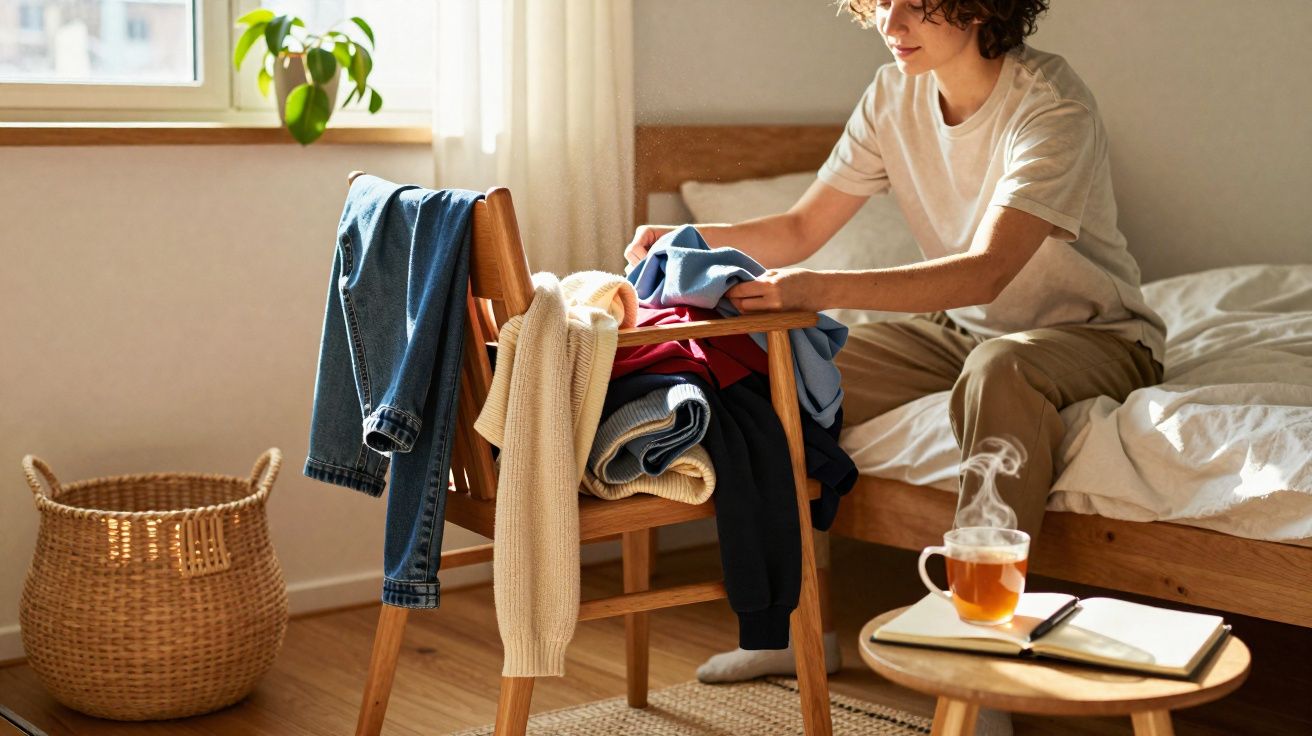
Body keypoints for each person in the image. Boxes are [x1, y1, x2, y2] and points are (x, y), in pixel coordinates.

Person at [623, 0, 1167, 729]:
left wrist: (820, 289)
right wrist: (683, 233)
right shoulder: (890, 95)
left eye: (915, 3)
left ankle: (978, 664)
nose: (892, 22)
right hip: (957, 330)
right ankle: (793, 629)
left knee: (999, 372)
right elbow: (801, 227)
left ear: (978, 7)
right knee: (781, 369)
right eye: (880, 3)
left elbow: (985, 272)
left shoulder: (1051, 105)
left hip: (1094, 336)